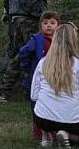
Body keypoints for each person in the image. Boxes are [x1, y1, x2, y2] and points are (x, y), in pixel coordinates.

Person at [19, 11, 59, 145]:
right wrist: (27, 67)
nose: (49, 26)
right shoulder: (37, 40)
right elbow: (24, 52)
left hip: (55, 78)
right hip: (38, 79)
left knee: (54, 104)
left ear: (58, 26)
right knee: (37, 106)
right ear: (40, 25)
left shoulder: (59, 40)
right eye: (45, 23)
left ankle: (54, 131)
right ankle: (39, 133)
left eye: (53, 23)